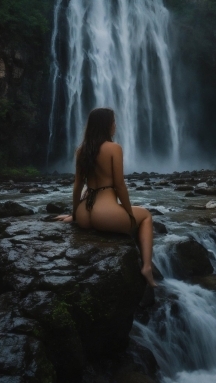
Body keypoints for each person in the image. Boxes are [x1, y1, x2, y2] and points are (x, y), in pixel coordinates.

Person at [55, 107, 156, 287]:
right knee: (146, 215)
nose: (115, 126)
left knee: (132, 214)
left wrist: (75, 215)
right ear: (106, 125)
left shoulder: (82, 150)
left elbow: (78, 185)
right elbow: (119, 185)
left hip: (85, 214)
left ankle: (80, 216)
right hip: (105, 214)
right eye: (113, 122)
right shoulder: (114, 148)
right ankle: (147, 267)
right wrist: (128, 212)